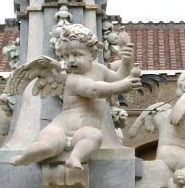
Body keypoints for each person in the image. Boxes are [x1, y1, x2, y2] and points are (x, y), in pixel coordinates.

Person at [8, 23, 140, 172]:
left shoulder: (100, 70)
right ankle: (24, 157)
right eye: (66, 56)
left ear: (92, 54)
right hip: (60, 129)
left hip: (83, 131)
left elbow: (119, 77)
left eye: (76, 54)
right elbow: (94, 90)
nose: (70, 60)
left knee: (95, 136)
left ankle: (74, 158)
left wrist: (126, 61)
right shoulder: (72, 79)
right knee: (47, 145)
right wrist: (122, 86)